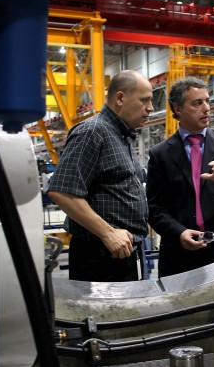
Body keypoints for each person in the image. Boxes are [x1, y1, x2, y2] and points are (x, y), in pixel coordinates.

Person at [47, 70, 153, 282]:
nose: (150, 108)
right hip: (99, 256)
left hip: (122, 251)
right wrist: (108, 233)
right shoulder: (93, 131)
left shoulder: (122, 135)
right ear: (120, 98)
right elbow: (61, 190)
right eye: (144, 100)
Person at [146, 76, 214, 277]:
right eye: (197, 103)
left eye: (207, 101)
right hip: (181, 252)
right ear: (178, 109)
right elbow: (154, 207)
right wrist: (179, 232)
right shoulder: (160, 154)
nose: (206, 108)